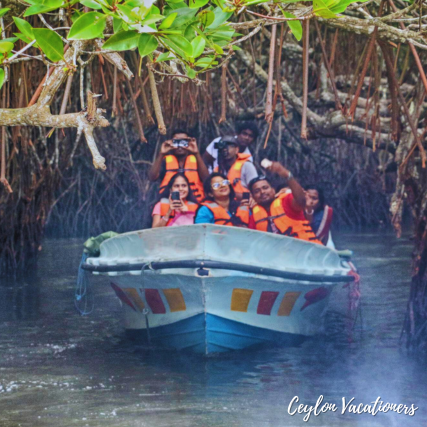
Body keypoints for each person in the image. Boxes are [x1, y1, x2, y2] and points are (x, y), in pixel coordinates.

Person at [248, 162, 322, 244]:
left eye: (265, 188)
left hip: (308, 252)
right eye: (257, 191)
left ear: (273, 190)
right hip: (280, 255)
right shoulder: (254, 217)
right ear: (253, 196)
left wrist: (287, 175)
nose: (262, 192)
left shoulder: (285, 201)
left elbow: (301, 202)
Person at [148, 129, 209, 202]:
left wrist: (196, 153)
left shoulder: (196, 160)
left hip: (194, 203)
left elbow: (207, 179)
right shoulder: (165, 161)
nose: (180, 146)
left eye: (183, 142)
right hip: (170, 203)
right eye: (176, 142)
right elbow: (152, 177)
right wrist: (162, 153)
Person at [212, 135, 258, 200]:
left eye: (229, 146)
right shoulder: (217, 170)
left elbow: (256, 190)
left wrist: (232, 194)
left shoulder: (246, 165)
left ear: (236, 150)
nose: (225, 149)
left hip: (244, 204)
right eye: (223, 147)